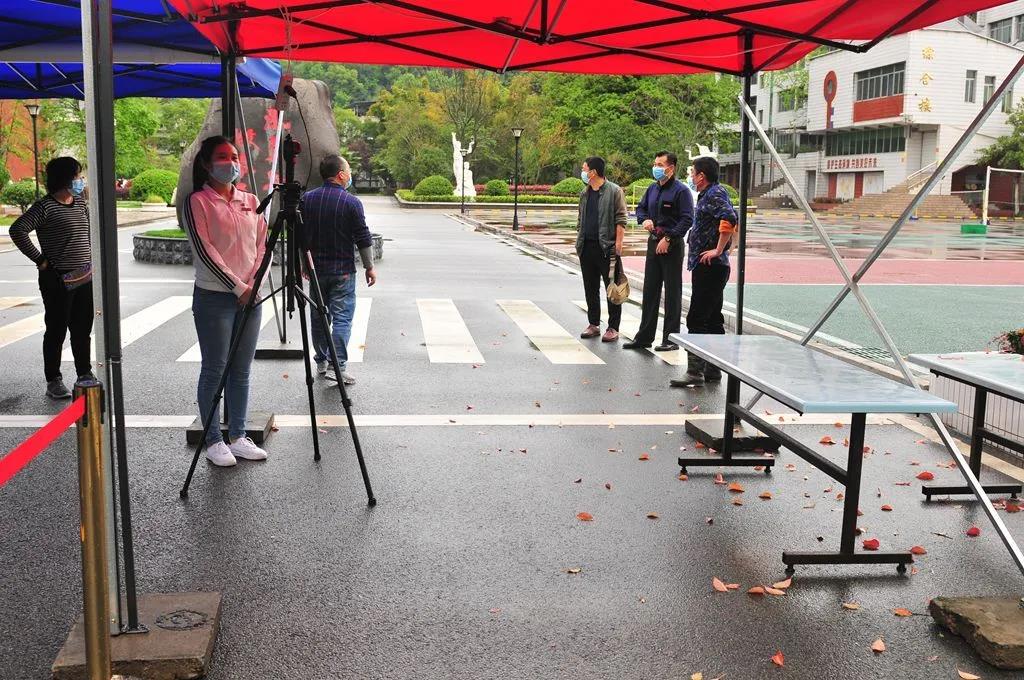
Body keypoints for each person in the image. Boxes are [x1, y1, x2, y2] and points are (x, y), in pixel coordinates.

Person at [182, 135, 269, 467]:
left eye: (234, 157)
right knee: (214, 369)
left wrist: (253, 285)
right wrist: (238, 287)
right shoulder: (198, 202)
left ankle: (238, 435)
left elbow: (262, 245)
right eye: (222, 157)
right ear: (207, 164)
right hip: (214, 298)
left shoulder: (250, 200)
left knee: (241, 370)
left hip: (250, 297)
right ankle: (214, 440)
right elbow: (206, 252)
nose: (230, 163)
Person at [10, 157, 94, 399]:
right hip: (57, 280)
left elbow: (87, 234)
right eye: (77, 176)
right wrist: (40, 260)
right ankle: (54, 380)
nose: (80, 180)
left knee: (82, 329)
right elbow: (17, 230)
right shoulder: (45, 207)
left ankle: (84, 373)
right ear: (65, 178)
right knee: (57, 329)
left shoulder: (80, 203)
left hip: (84, 277)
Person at [302, 154, 377, 385]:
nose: (350, 175)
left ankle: (321, 360)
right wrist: (369, 267)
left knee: (318, 317)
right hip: (343, 271)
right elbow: (363, 237)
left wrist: (303, 264)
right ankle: (338, 365)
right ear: (341, 175)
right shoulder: (351, 202)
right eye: (349, 171)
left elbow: (301, 237)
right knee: (342, 319)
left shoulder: (307, 200)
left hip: (316, 270)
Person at [671, 156, 737, 388]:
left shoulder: (714, 194)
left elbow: (730, 218)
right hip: (710, 266)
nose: (691, 177)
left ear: (702, 175)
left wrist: (719, 250)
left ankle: (695, 372)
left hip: (711, 267)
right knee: (712, 319)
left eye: (693, 173)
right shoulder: (709, 194)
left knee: (697, 318)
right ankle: (713, 369)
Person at [623, 151, 693, 352]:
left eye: (660, 165)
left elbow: (687, 219)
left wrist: (669, 238)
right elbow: (641, 208)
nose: (656, 168)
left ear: (671, 168)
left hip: (672, 246)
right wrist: (644, 219)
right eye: (655, 164)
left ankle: (671, 339)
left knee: (672, 293)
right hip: (653, 243)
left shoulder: (681, 191)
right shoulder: (652, 189)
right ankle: (644, 337)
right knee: (650, 291)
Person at [575, 156, 627, 343]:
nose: (583, 172)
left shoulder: (614, 191)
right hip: (586, 246)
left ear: (593, 172)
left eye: (584, 169)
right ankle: (593, 324)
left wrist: (618, 244)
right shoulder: (585, 193)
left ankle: (613, 327)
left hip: (607, 247)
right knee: (590, 288)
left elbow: (621, 219)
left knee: (612, 289)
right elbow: (580, 218)